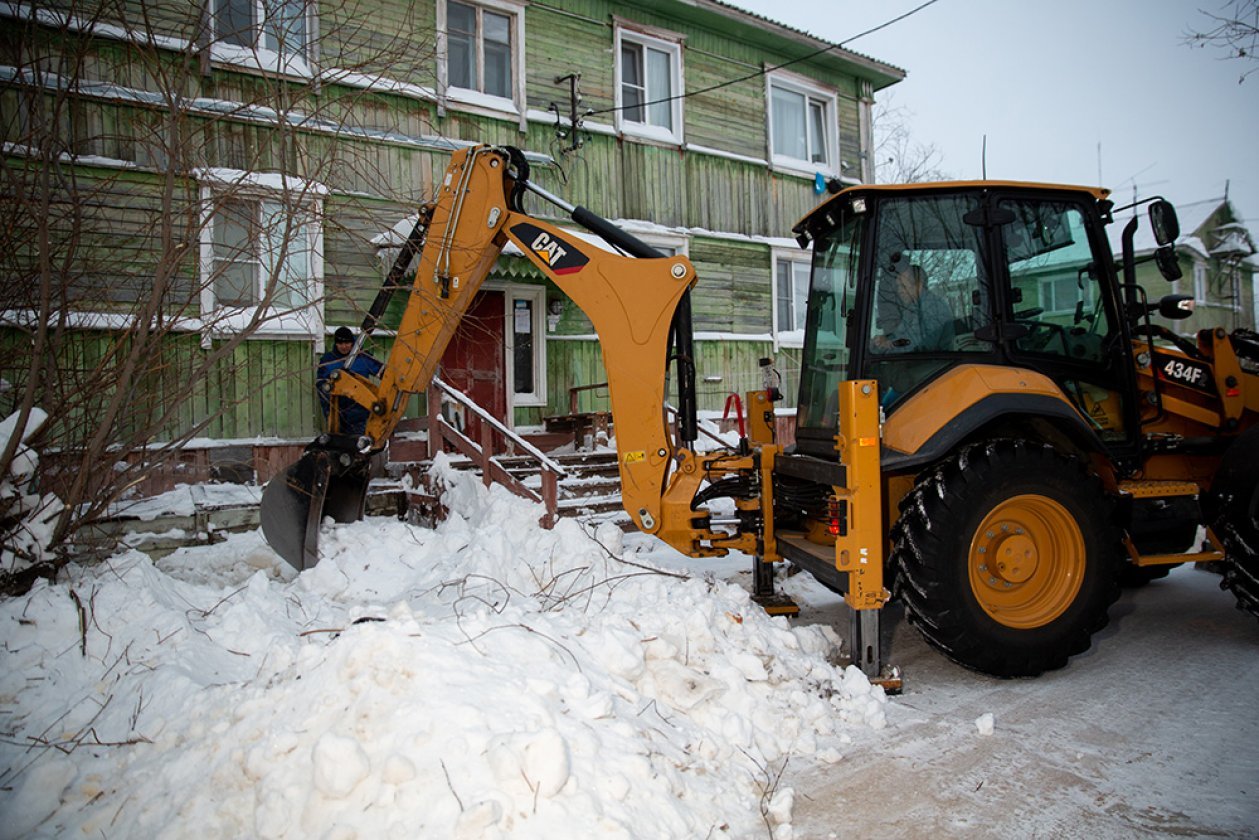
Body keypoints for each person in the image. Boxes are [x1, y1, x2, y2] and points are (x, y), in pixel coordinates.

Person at [871, 264, 955, 353]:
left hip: (933, 364)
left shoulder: (932, 307)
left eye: (903, 286)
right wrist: (884, 339)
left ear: (918, 285)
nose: (899, 290)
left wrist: (887, 346)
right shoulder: (912, 307)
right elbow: (900, 334)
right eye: (898, 286)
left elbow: (916, 345)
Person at [317, 326, 383, 436]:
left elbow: (383, 373)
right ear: (336, 344)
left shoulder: (363, 358)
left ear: (352, 343)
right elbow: (321, 386)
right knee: (339, 442)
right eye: (340, 343)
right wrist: (329, 409)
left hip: (361, 410)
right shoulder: (327, 361)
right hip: (338, 411)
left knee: (359, 442)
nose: (344, 346)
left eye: (347, 343)